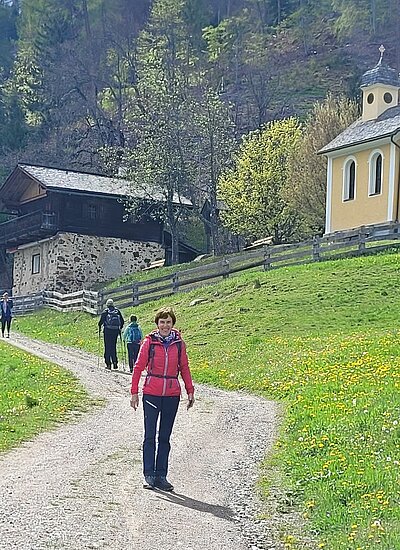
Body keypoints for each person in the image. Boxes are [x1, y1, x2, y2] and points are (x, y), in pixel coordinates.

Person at [130, 306, 194, 491]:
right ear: (157, 324)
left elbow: (185, 368)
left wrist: (190, 390)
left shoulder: (179, 344)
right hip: (151, 393)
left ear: (173, 324)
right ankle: (148, 474)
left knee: (164, 437)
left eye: (168, 322)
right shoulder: (149, 343)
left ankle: (161, 476)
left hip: (172, 395)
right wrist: (134, 392)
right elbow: (138, 367)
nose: (165, 325)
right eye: (162, 322)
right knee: (150, 436)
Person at [98, 298, 124, 370]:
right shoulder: (117, 311)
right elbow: (122, 321)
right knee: (113, 346)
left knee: (107, 347)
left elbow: (100, 322)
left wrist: (100, 326)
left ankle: (108, 364)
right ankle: (115, 362)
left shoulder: (105, 312)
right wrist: (119, 328)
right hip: (115, 331)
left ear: (107, 305)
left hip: (107, 331)